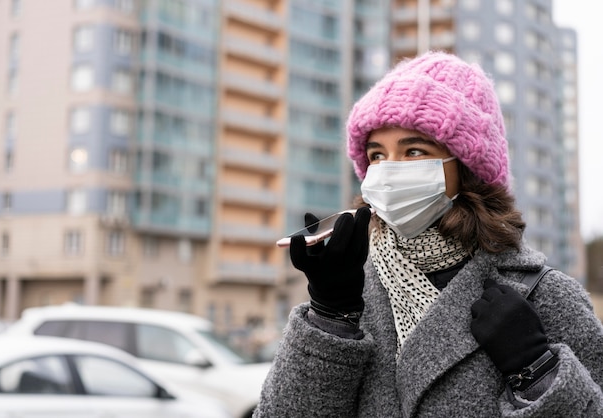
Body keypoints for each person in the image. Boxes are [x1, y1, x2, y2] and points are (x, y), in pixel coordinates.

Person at [254, 51, 603, 417]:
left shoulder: (543, 295)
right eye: (376, 155)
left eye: (414, 150)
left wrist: (537, 371)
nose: (389, 171)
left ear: (467, 167)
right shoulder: (355, 292)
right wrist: (330, 318)